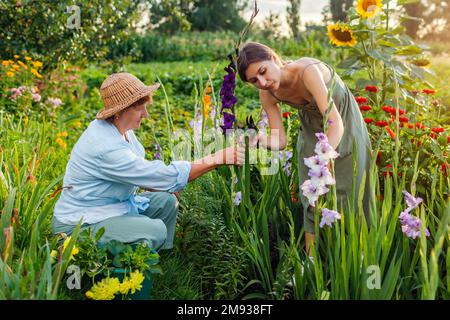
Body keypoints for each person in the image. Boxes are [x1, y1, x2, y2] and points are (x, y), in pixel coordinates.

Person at [52, 72, 244, 250]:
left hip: (110, 208)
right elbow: (162, 177)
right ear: (119, 111)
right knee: (155, 229)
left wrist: (162, 185)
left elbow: (142, 173)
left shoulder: (121, 129)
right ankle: (124, 268)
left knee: (166, 202)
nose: (146, 114)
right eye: (139, 108)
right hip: (80, 224)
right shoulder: (105, 147)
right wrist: (218, 158)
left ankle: (153, 262)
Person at [237, 42, 373, 255]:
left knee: (351, 194)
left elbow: (335, 122)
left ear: (273, 57)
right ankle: (311, 263)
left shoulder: (307, 71)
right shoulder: (267, 94)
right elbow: (280, 141)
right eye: (254, 81)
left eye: (262, 72)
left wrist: (323, 158)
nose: (262, 82)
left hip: (343, 125)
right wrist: (258, 139)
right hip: (311, 132)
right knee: (311, 196)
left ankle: (359, 256)